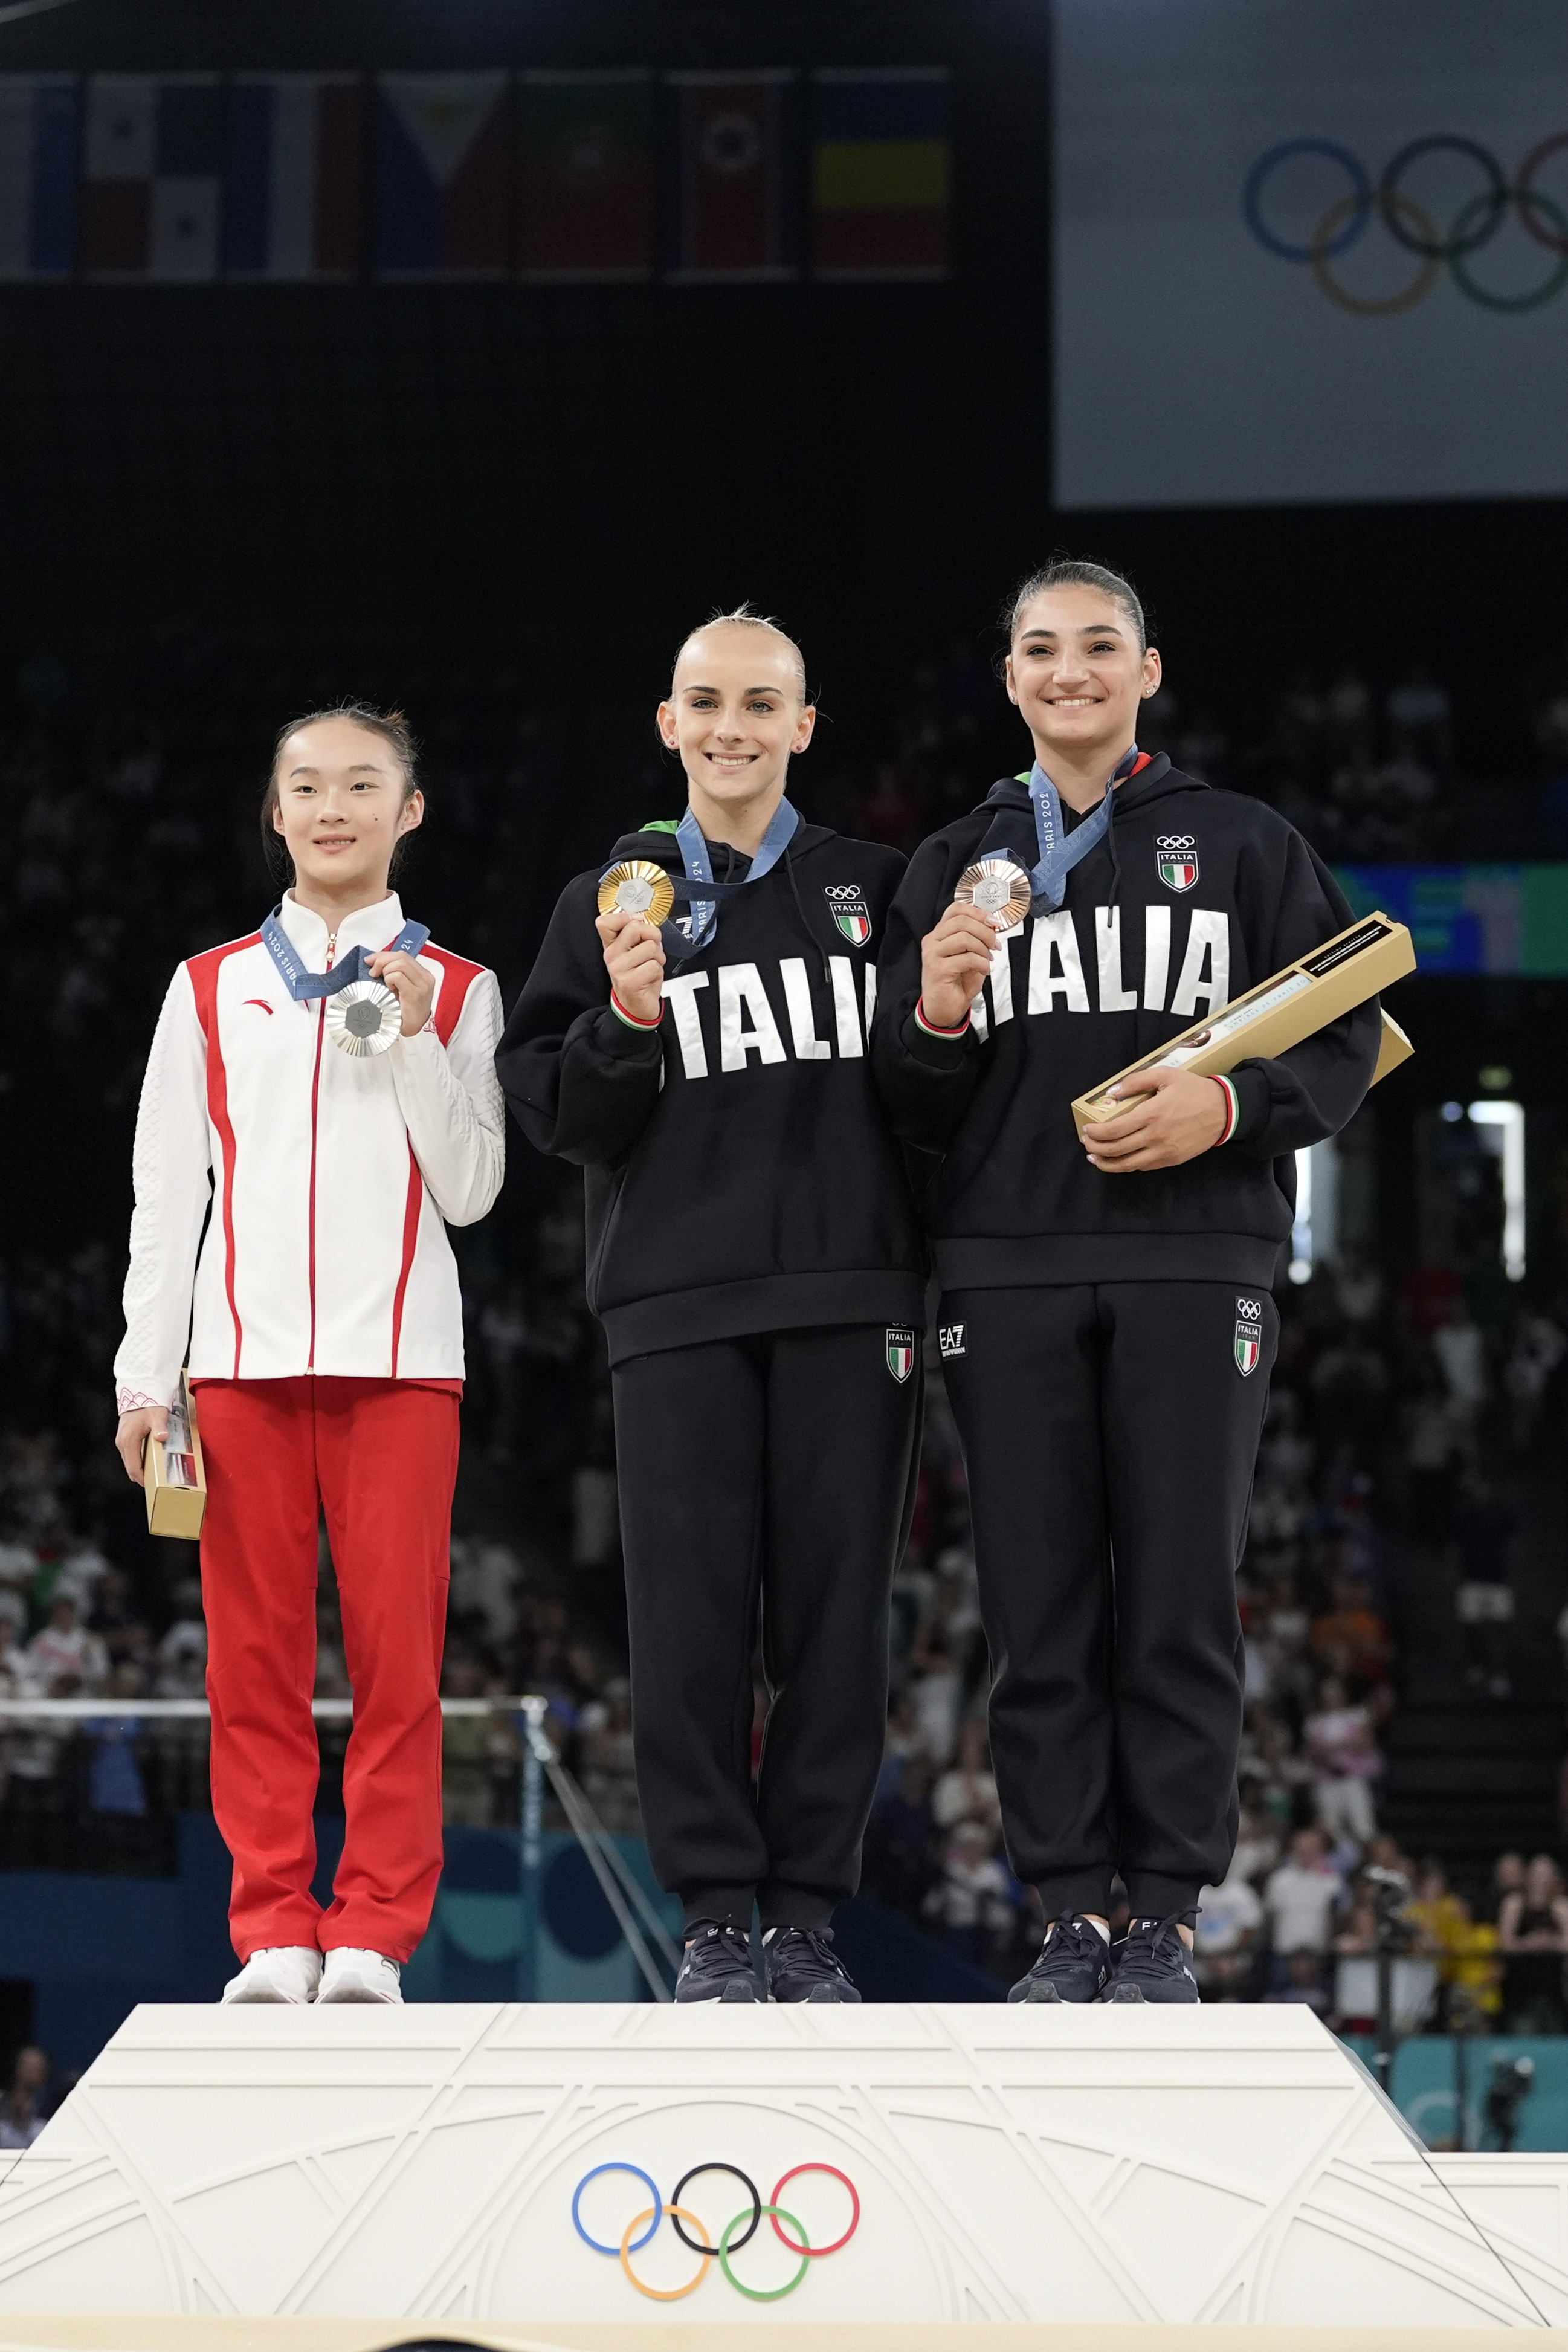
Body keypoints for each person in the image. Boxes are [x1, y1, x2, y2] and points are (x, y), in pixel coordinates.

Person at [874, 559, 1381, 2003]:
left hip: (1189, 1256)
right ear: (1009, 676)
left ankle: (1159, 1911)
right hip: (1003, 1264)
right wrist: (933, 1003)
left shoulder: (1239, 842)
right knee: (1035, 1604)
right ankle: (1064, 1911)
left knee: (1174, 1591)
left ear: (1146, 671)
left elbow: (1343, 1026)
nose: (1069, 670)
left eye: (1099, 645)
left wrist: (1226, 1111)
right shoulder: (950, 862)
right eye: (1041, 649)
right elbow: (904, 1096)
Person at [497, 609, 924, 2002]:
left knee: (833, 1623)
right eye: (704, 699)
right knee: (685, 1628)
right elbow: (556, 1110)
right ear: (665, 722)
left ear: (804, 726)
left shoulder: (879, 886)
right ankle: (710, 1919)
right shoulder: (602, 905)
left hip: (852, 1295)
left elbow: (936, 1091)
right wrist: (625, 1017)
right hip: (675, 1304)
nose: (731, 723)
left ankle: (803, 1914)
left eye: (762, 700)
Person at [112, 704, 505, 2005]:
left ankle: (378, 1931)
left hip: (403, 1365)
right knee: (253, 1661)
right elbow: (169, 1194)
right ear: (274, 813)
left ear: (410, 809)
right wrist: (142, 1374)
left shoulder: (460, 987)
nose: (332, 806)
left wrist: (412, 1043)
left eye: (362, 784)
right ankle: (275, 1922)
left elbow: (471, 1188)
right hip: (237, 1366)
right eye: (306, 786)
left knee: (400, 1661)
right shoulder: (209, 985)